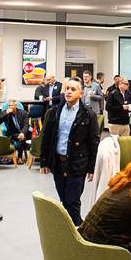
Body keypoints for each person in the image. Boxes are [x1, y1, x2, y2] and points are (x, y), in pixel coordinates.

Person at [40, 78, 100, 225]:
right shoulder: (55, 111)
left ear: (81, 93)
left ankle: (78, 231)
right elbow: (47, 137)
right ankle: (70, 232)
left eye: (73, 89)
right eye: (67, 88)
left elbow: (93, 142)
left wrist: (92, 167)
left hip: (77, 163)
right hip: (58, 163)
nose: (68, 92)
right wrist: (43, 161)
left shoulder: (88, 114)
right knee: (63, 199)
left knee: (72, 201)